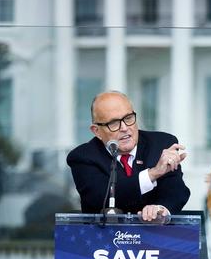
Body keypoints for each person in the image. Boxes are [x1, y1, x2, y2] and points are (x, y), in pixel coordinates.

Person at [67, 91, 190, 220]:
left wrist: (161, 209)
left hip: (157, 235)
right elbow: (99, 197)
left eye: (128, 118)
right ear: (97, 131)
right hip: (105, 237)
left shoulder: (162, 144)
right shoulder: (83, 157)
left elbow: (177, 190)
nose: (125, 128)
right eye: (114, 123)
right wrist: (153, 174)